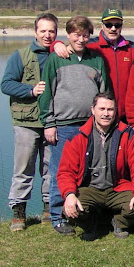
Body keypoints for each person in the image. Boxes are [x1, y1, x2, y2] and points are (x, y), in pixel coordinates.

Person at [51, 8, 134, 123]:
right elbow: (73, 45)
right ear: (102, 25)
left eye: (117, 25)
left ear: (121, 26)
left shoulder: (133, 49)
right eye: (109, 24)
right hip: (102, 114)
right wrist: (56, 44)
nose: (113, 28)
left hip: (125, 115)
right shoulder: (92, 46)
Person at [39, 15, 108, 234]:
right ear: (68, 35)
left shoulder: (96, 59)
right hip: (62, 126)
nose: (80, 39)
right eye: (76, 35)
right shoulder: (57, 59)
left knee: (88, 171)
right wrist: (49, 123)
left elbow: (104, 92)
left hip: (89, 127)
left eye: (85, 35)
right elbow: (47, 93)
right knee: (60, 170)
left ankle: (84, 212)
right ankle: (58, 216)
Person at [56, 92, 134, 240]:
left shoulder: (126, 134)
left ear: (115, 111)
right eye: (102, 109)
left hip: (118, 188)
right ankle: (92, 225)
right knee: (72, 209)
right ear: (93, 110)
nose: (106, 114)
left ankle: (119, 222)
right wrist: (69, 194)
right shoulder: (78, 137)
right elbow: (65, 172)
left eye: (110, 109)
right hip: (89, 189)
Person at [0, 12, 58, 231]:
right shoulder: (21, 56)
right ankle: (18, 213)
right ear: (35, 32)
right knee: (23, 169)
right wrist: (30, 90)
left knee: (50, 169)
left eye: (51, 31)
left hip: (52, 122)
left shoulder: (60, 55)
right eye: (43, 31)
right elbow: (6, 85)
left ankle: (48, 209)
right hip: (26, 122)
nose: (47, 35)